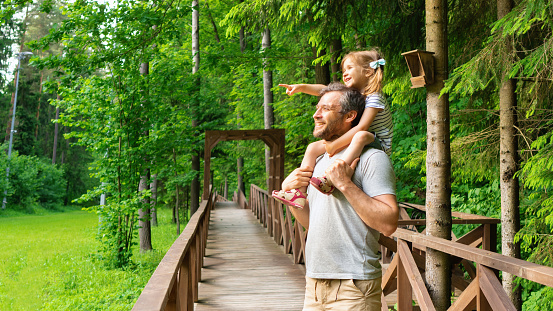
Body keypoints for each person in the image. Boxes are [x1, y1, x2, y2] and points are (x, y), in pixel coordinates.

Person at [281, 83, 398, 310]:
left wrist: (344, 183)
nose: (316, 114)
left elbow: (389, 223)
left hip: (354, 287)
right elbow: (312, 223)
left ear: (350, 116)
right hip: (314, 283)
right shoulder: (319, 161)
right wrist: (290, 196)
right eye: (317, 108)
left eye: (325, 109)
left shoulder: (372, 158)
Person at [272, 50, 393, 209]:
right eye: (343, 70)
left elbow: (362, 127)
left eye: (349, 68)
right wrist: (301, 87)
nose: (345, 73)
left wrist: (334, 146)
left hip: (378, 141)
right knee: (312, 148)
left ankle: (329, 179)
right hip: (360, 136)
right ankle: (298, 194)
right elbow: (325, 90)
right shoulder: (355, 93)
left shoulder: (374, 97)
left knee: (361, 136)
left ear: (368, 71)